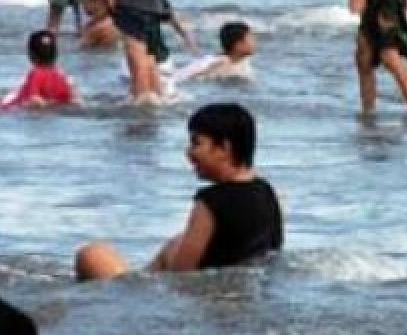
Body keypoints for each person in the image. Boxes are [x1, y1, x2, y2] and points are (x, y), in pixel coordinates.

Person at [75, 104, 283, 280]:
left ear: (224, 148)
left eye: (196, 143)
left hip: (177, 292)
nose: (188, 153)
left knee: (92, 254)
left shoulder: (211, 201)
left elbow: (181, 277)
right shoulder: (266, 191)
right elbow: (273, 252)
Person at [0, 30, 78, 110]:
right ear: (56, 55)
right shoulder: (62, 74)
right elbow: (75, 100)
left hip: (26, 107)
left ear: (31, 55)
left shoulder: (36, 74)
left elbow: (34, 99)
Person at [174, 21, 256, 81]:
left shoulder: (241, 60)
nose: (254, 42)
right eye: (250, 39)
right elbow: (194, 77)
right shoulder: (222, 62)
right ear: (238, 45)